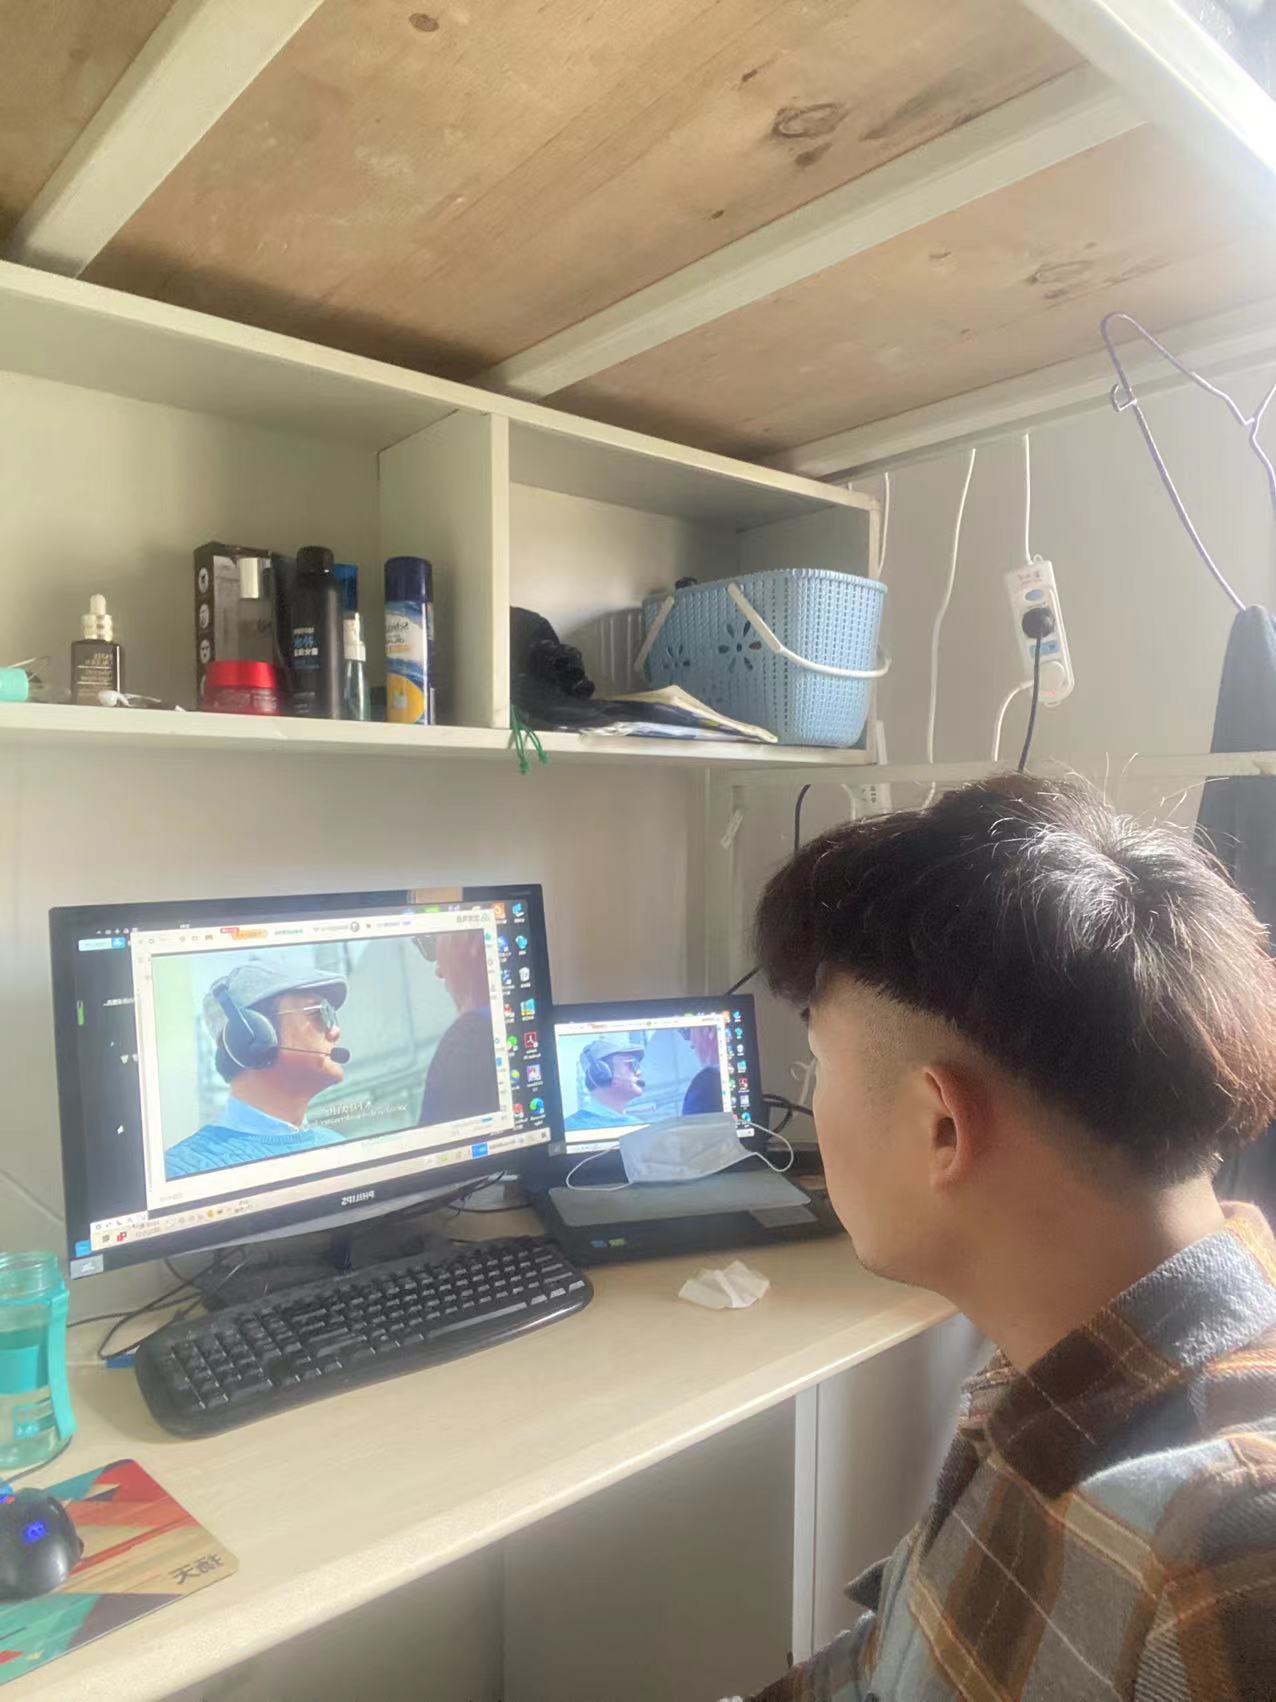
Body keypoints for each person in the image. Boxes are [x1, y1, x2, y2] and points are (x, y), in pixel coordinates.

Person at [739, 774, 1276, 1702]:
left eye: (816, 1066)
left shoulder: (1223, 1560)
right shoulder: (1059, 1370)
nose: (811, 1106)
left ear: (942, 1127)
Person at [165, 963, 349, 1178]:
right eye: (319, 1013)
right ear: (252, 1035)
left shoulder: (338, 1146)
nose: (336, 1031)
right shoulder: (182, 1171)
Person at [415, 929, 501, 1126]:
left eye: (433, 942)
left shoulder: (468, 1042)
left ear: (475, 943)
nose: (438, 970)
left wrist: (472, 1001)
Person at [564, 1035, 647, 1132]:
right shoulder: (571, 1128)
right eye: (631, 1064)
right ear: (601, 1073)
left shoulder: (638, 1125)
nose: (638, 1072)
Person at [681, 1024, 725, 1116]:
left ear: (708, 1030)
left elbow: (693, 1123)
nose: (695, 1052)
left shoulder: (706, 1083)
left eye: (693, 1046)